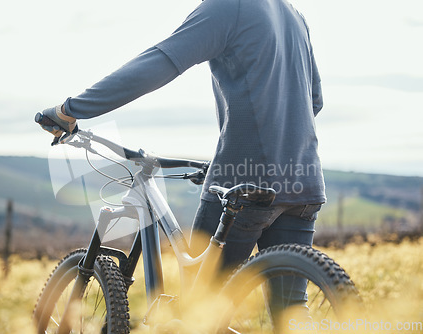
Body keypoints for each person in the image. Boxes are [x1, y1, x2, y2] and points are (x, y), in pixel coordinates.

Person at [37, 0, 324, 331]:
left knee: (198, 313)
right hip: (304, 179)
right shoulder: (293, 15)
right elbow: (313, 100)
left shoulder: (229, 6)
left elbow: (162, 61)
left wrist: (71, 110)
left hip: (244, 179)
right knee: (291, 312)